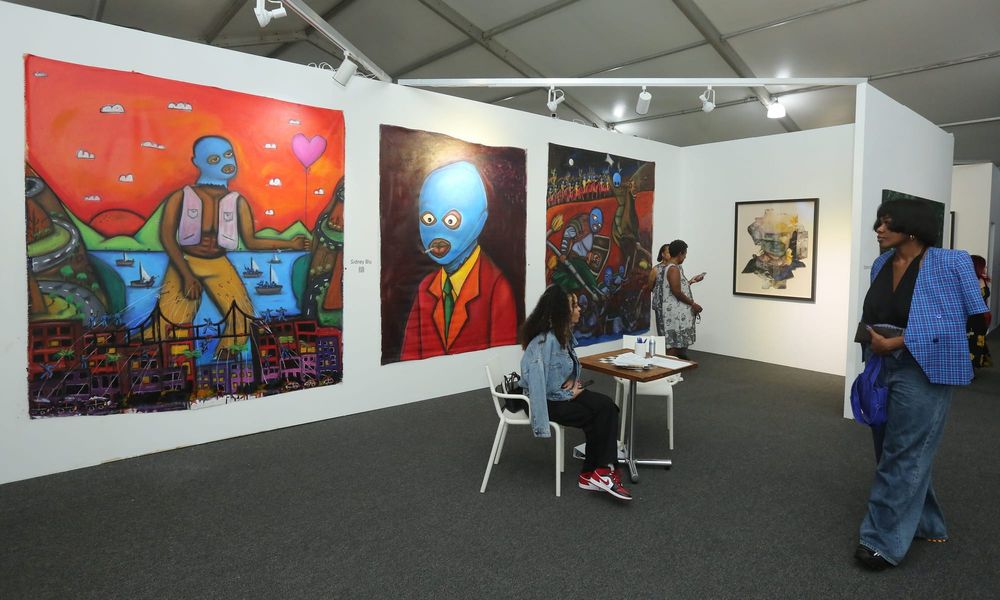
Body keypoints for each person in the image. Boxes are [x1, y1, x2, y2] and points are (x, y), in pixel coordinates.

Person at [854, 199, 987, 571]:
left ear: (911, 228)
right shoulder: (881, 264)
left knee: (902, 454)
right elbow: (874, 312)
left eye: (886, 222)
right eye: (878, 222)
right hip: (882, 363)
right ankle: (925, 522)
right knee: (892, 450)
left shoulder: (951, 262)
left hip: (923, 368)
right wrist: (873, 345)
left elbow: (975, 317)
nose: (878, 229)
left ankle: (881, 542)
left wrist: (900, 341)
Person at [154, 136, 310, 356]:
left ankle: (223, 364)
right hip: (185, 261)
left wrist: (290, 244)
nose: (225, 162)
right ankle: (176, 364)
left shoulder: (237, 201)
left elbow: (251, 241)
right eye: (215, 159)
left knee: (242, 318)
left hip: (218, 262)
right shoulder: (181, 197)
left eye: (228, 155)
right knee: (169, 323)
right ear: (197, 162)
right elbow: (167, 237)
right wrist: (186, 275)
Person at [519, 285, 631, 501]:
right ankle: (596, 472)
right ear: (562, 311)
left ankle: (600, 470)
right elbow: (538, 389)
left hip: (561, 393)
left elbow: (561, 371)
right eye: (574, 305)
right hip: (544, 402)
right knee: (594, 416)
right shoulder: (544, 343)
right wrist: (569, 395)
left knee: (607, 406)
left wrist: (571, 381)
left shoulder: (563, 336)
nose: (580, 309)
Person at [401, 161, 517, 360]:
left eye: (451, 221)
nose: (438, 232)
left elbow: (503, 360)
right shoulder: (426, 288)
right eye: (428, 219)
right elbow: (409, 358)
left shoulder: (496, 289)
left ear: (481, 221)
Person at [656, 240, 704, 359]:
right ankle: (669, 368)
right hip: (675, 314)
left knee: (677, 344)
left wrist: (691, 281)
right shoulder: (673, 269)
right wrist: (693, 304)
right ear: (680, 253)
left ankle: (675, 366)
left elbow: (677, 287)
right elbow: (676, 291)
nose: (685, 257)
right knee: (673, 346)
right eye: (685, 254)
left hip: (676, 313)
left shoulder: (672, 267)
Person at [967, 254, 992, 369]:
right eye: (983, 266)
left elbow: (985, 299)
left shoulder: (982, 280)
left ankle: (974, 365)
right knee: (972, 343)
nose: (985, 268)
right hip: (972, 317)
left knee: (978, 341)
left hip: (982, 317)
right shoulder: (968, 281)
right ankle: (969, 368)